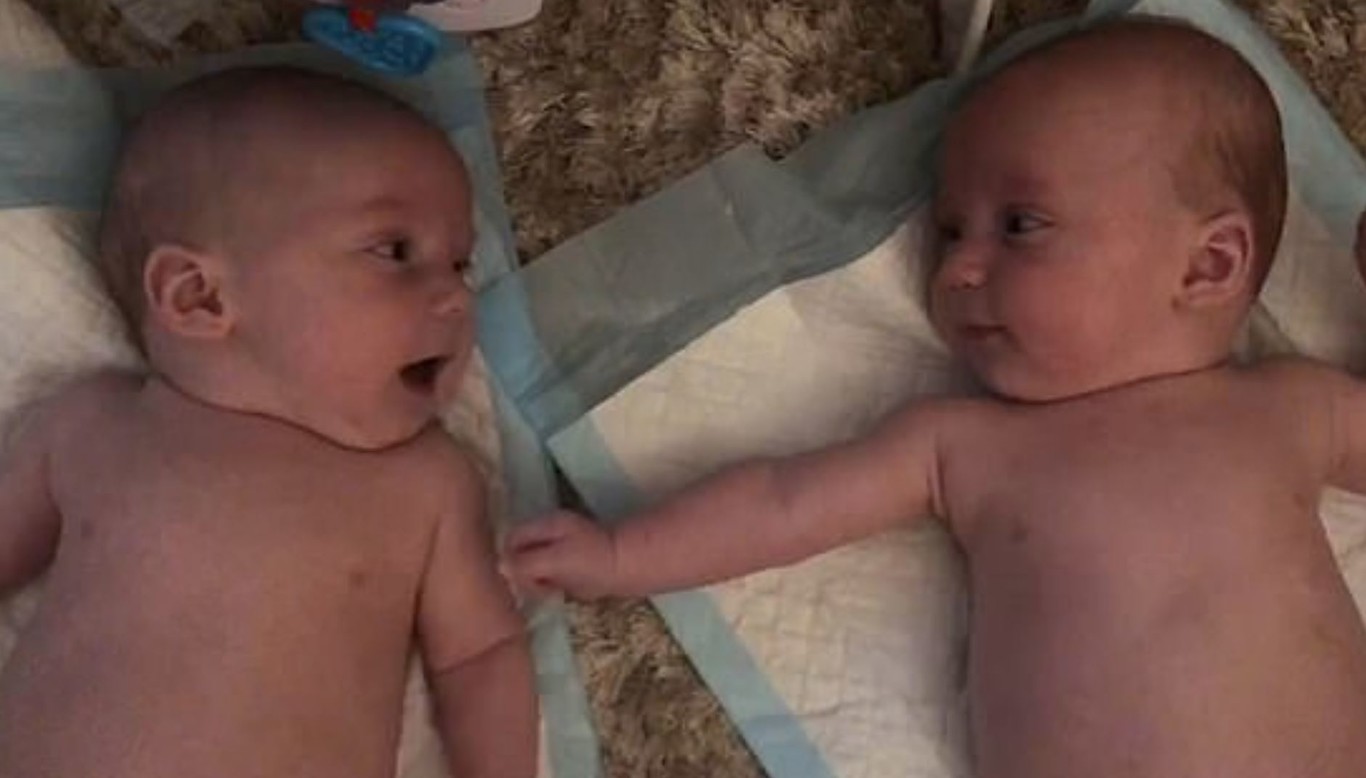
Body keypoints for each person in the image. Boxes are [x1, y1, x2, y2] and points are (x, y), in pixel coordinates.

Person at [507, 19, 1366, 778]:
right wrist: (621, 555)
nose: (956, 266)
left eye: (1021, 224)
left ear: (1208, 265)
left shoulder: (1291, 408)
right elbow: (782, 502)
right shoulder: (965, 446)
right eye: (951, 229)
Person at [0, 67, 535, 778]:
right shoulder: (94, 427)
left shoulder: (425, 481)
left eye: (461, 266)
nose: (455, 298)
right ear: (197, 295)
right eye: (393, 251)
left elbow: (480, 654)